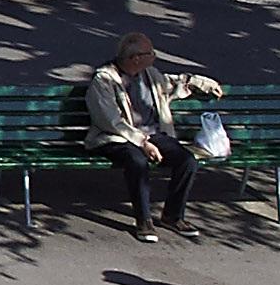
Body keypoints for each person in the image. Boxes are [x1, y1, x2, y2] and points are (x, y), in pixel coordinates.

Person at [73, 31, 229, 238]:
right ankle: (144, 221)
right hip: (116, 137)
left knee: (187, 161)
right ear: (135, 58)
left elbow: (176, 83)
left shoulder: (150, 75)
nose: (154, 55)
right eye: (150, 52)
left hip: (152, 135)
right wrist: (143, 142)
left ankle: (173, 216)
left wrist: (206, 84)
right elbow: (111, 122)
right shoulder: (104, 81)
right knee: (137, 161)